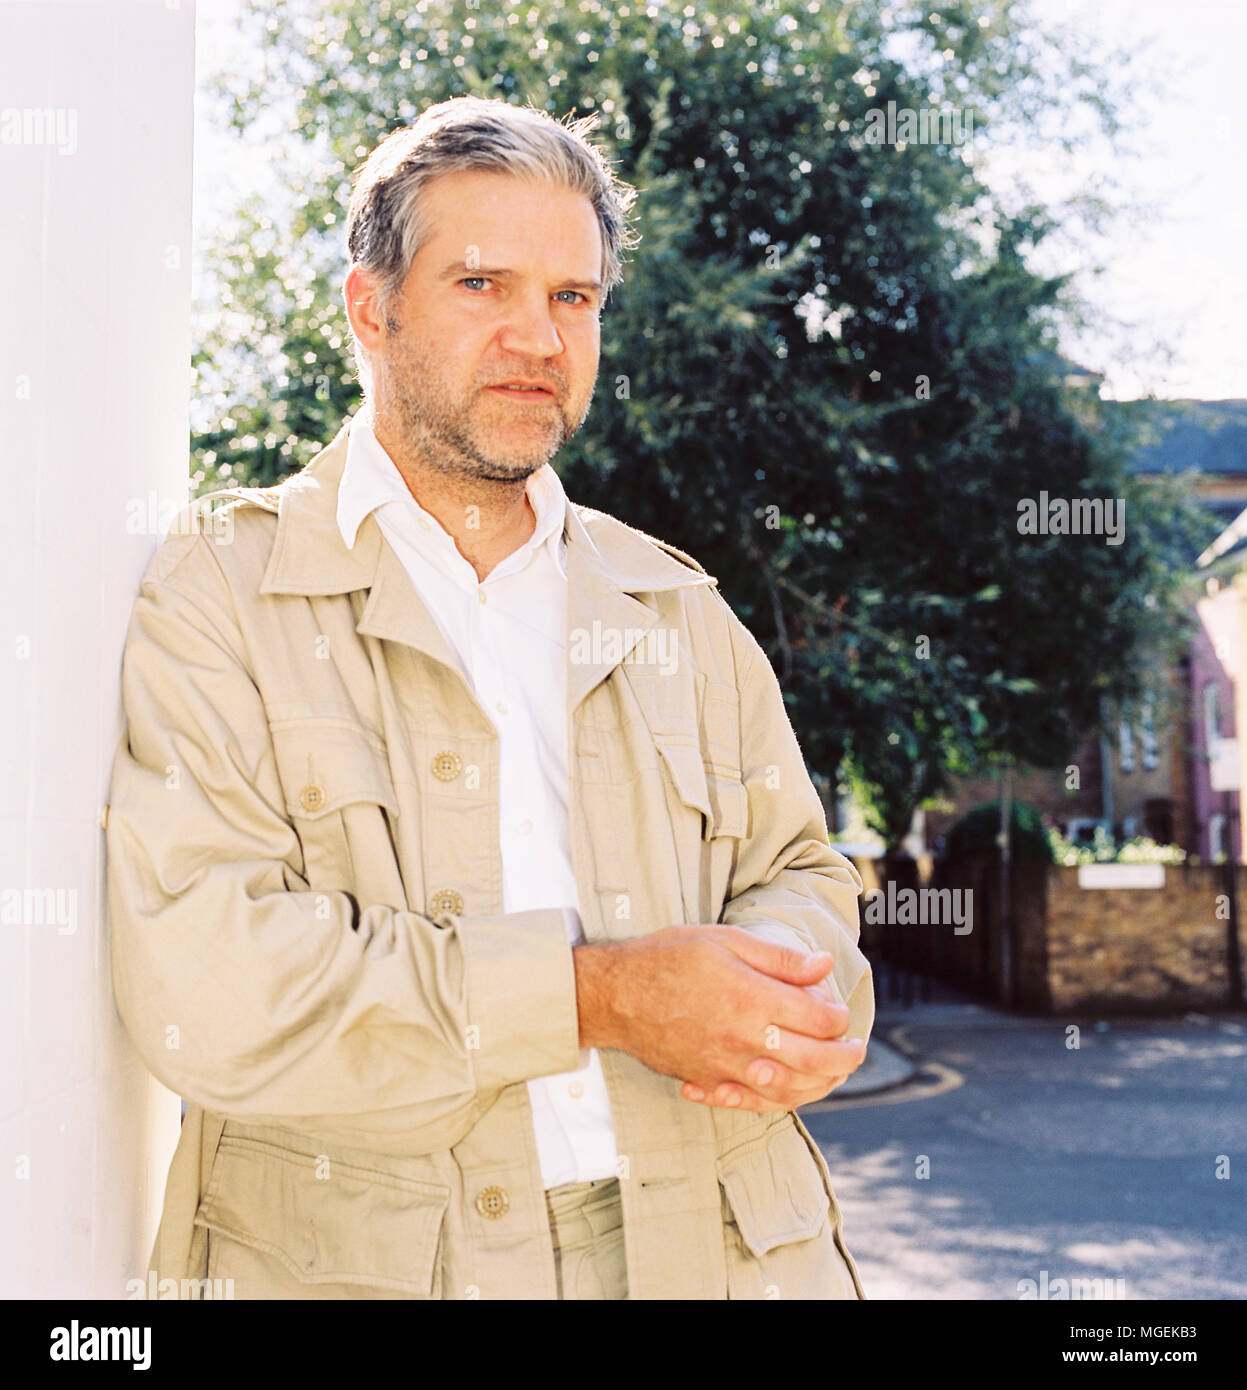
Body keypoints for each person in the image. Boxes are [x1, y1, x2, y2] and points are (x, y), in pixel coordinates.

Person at [106, 95, 874, 1301]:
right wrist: (604, 997)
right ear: (372, 309)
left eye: (572, 297)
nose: (538, 336)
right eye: (482, 285)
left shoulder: (677, 607)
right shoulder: (218, 593)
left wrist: (771, 987)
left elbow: (806, 876)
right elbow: (211, 985)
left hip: (721, 1256)